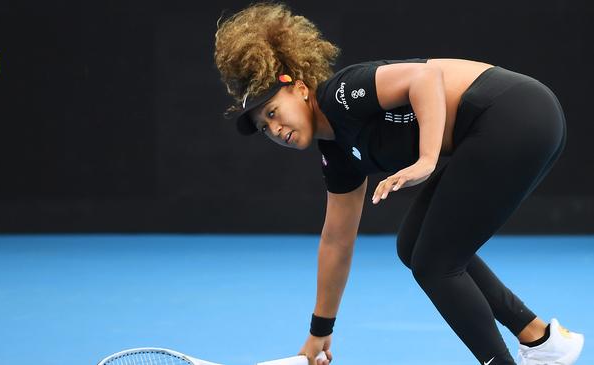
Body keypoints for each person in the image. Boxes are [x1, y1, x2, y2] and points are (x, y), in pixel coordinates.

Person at [213, 3, 584, 365]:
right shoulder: (337, 153)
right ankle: (542, 341)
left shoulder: (342, 94)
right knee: (413, 247)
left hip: (516, 115)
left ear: (299, 88)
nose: (274, 129)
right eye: (265, 127)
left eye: (273, 112)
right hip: (514, 123)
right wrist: (319, 330)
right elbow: (337, 240)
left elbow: (424, 78)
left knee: (435, 264)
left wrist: (426, 159)